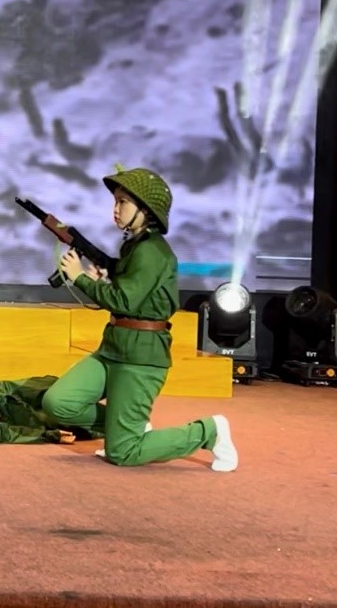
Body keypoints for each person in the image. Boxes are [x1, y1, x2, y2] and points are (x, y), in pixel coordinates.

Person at [40, 167, 238, 472]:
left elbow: (123, 301)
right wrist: (106, 275)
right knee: (59, 403)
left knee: (123, 452)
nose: (115, 209)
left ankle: (208, 432)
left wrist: (79, 277)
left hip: (140, 358)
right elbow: (129, 288)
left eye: (123, 202)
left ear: (146, 210)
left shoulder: (152, 252)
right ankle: (127, 426)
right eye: (115, 201)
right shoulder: (135, 246)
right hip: (113, 349)